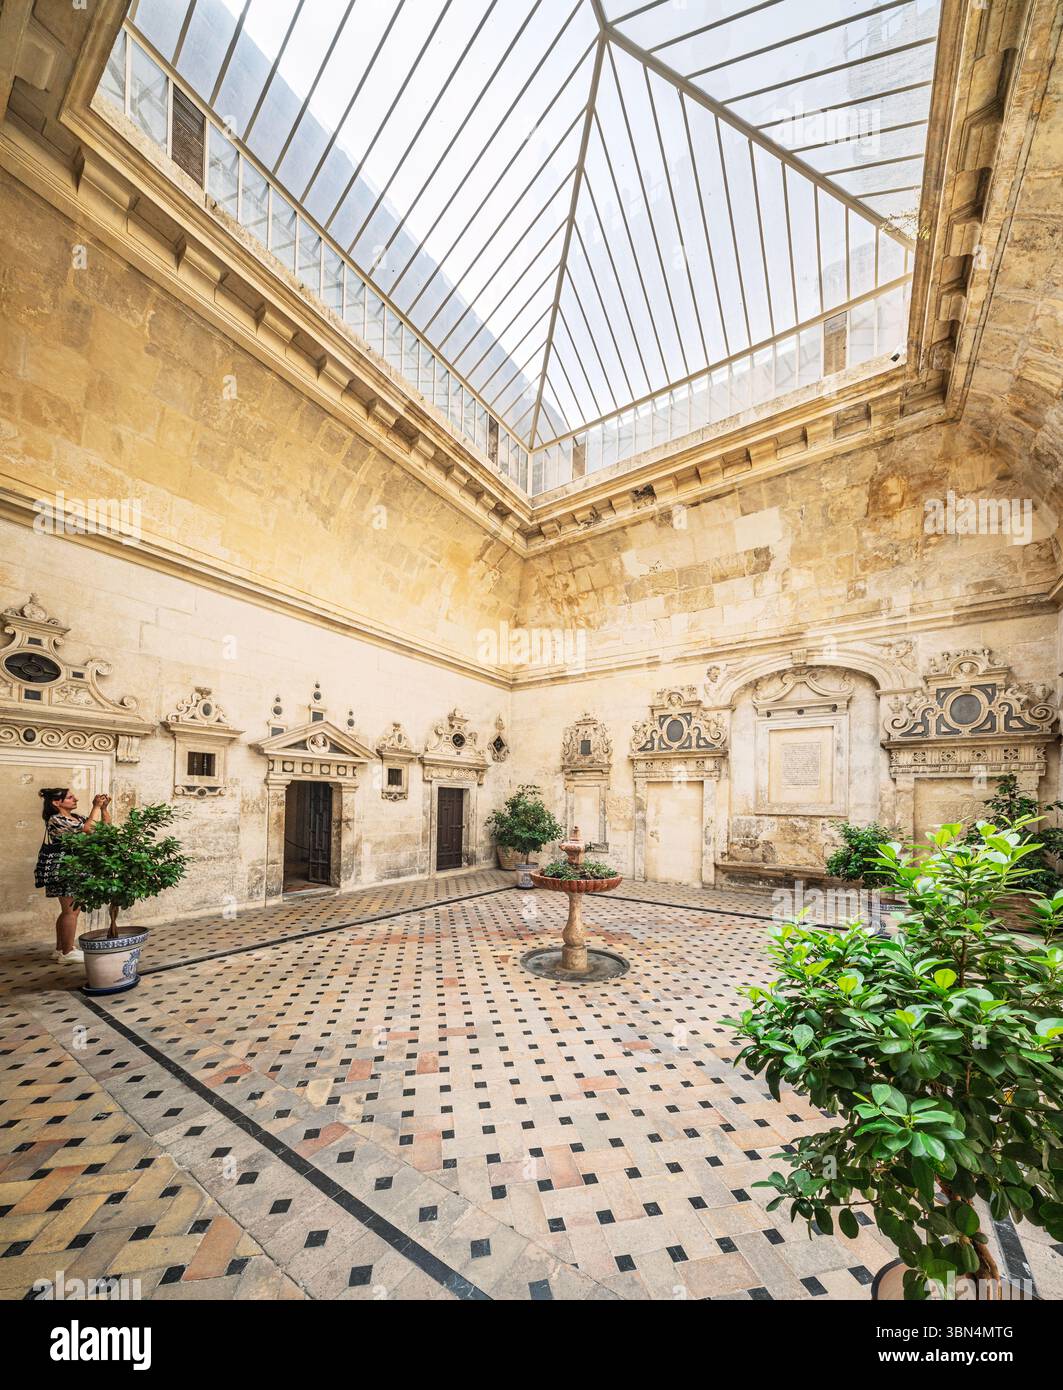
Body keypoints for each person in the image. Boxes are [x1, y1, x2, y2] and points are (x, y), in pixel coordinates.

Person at [36, 788, 111, 963]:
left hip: (75, 868)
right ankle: (67, 952)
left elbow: (105, 829)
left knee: (68, 911)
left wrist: (103, 809)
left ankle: (60, 949)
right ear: (56, 803)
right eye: (70, 797)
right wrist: (95, 807)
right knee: (71, 911)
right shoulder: (56, 819)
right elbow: (87, 829)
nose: (75, 799)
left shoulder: (77, 818)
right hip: (65, 869)